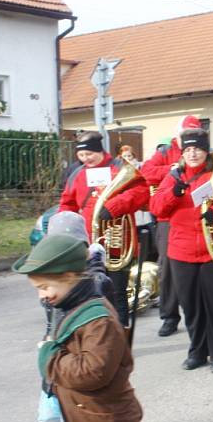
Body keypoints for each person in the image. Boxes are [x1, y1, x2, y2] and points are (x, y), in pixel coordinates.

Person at [13, 234, 189, 422]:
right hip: (79, 420)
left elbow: (92, 372)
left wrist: (48, 357)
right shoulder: (69, 304)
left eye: (45, 286)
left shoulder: (99, 319)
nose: (42, 296)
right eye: (38, 288)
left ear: (71, 276)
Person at [18, 211, 115, 422]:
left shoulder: (95, 278)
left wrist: (94, 261)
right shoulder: (55, 275)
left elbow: (97, 288)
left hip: (86, 368)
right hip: (57, 364)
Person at [149, 128, 213, 374]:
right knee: (191, 306)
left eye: (197, 149)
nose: (192, 154)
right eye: (188, 149)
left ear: (206, 150)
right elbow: (157, 208)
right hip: (181, 251)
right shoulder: (174, 176)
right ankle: (197, 351)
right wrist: (173, 194)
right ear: (182, 153)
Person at [58, 131, 149, 327]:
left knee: (117, 291)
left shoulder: (120, 168)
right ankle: (99, 333)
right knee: (90, 291)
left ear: (100, 151)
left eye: (89, 154)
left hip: (117, 240)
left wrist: (115, 206)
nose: (85, 159)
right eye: (81, 155)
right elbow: (67, 203)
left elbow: (141, 191)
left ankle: (121, 335)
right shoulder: (77, 173)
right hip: (89, 241)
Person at [143, 118, 201, 337]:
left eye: (193, 132)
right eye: (186, 132)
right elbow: (147, 172)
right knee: (167, 268)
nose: (189, 136)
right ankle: (169, 316)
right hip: (168, 216)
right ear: (178, 135)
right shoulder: (167, 150)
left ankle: (196, 315)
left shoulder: (204, 151)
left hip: (196, 215)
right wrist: (173, 169)